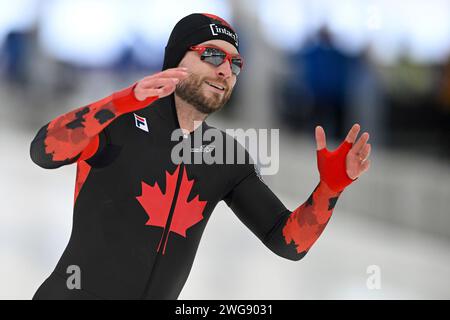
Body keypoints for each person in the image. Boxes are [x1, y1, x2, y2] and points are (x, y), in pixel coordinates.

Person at [30, 13, 371, 300]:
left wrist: (330, 188)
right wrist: (121, 102)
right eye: (211, 55)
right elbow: (43, 150)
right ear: (176, 60)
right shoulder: (117, 121)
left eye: (235, 63)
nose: (226, 70)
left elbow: (287, 243)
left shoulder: (225, 155)